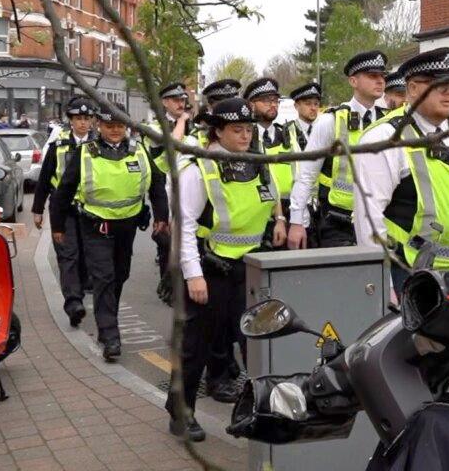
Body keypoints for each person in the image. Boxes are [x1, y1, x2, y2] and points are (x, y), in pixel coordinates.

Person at [168, 97, 287, 442]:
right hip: (211, 268)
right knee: (196, 348)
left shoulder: (258, 162)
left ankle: (259, 412)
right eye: (237, 129)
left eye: (249, 128)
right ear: (217, 131)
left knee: (257, 345)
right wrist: (193, 274)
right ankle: (180, 412)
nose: (245, 135)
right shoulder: (199, 168)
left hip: (251, 269)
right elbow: (185, 224)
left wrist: (279, 219)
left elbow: (271, 193)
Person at [353, 47, 449, 296]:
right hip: (407, 274)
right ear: (412, 89)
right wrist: (383, 285)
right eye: (437, 84)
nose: (447, 91)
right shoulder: (386, 137)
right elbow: (368, 217)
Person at [51, 103, 161, 361]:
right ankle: (109, 336)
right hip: (95, 227)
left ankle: (107, 317)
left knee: (120, 275)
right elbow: (64, 191)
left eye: (120, 126)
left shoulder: (139, 150)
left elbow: (156, 184)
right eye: (109, 125)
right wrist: (57, 226)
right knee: (104, 277)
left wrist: (162, 217)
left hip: (127, 227)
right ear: (99, 125)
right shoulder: (85, 153)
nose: (115, 130)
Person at [288, 50, 387, 249]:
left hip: (379, 221)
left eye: (382, 76)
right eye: (372, 76)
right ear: (353, 81)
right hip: (338, 223)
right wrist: (297, 221)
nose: (380, 81)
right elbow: (306, 174)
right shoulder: (330, 121)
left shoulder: (389, 121)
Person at [32, 96, 98, 327]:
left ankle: (82, 286)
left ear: (92, 121)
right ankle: (73, 303)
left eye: (86, 119)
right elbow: (44, 177)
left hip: (91, 209)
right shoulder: (58, 144)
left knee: (87, 255)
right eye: (78, 118)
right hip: (64, 208)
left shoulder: (99, 144)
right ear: (70, 120)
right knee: (68, 255)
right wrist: (38, 209)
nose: (82, 123)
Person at [145, 82, 196, 305]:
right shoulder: (154, 127)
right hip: (165, 194)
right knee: (168, 245)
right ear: (164, 102)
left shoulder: (191, 126)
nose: (181, 104)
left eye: (183, 100)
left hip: (188, 191)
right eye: (176, 100)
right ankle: (170, 289)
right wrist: (183, 121)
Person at [244, 77, 294, 238]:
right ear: (251, 104)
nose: (273, 105)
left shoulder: (288, 135)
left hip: (291, 210)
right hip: (259, 212)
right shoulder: (245, 138)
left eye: (275, 100)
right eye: (266, 101)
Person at [284, 82, 322, 246]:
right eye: (308, 104)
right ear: (296, 106)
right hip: (296, 203)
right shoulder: (285, 132)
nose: (313, 108)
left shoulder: (325, 130)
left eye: (316, 104)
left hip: (322, 204)